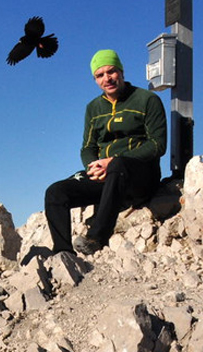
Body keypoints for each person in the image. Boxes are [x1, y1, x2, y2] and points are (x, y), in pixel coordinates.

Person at [44, 49, 167, 255]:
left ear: (121, 71)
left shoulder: (147, 100)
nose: (107, 79)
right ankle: (63, 253)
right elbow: (88, 147)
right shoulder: (93, 108)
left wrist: (111, 163)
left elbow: (157, 144)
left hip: (139, 177)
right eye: (100, 75)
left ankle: (96, 238)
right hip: (106, 175)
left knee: (118, 165)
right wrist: (93, 167)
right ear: (95, 79)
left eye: (111, 72)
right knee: (55, 192)